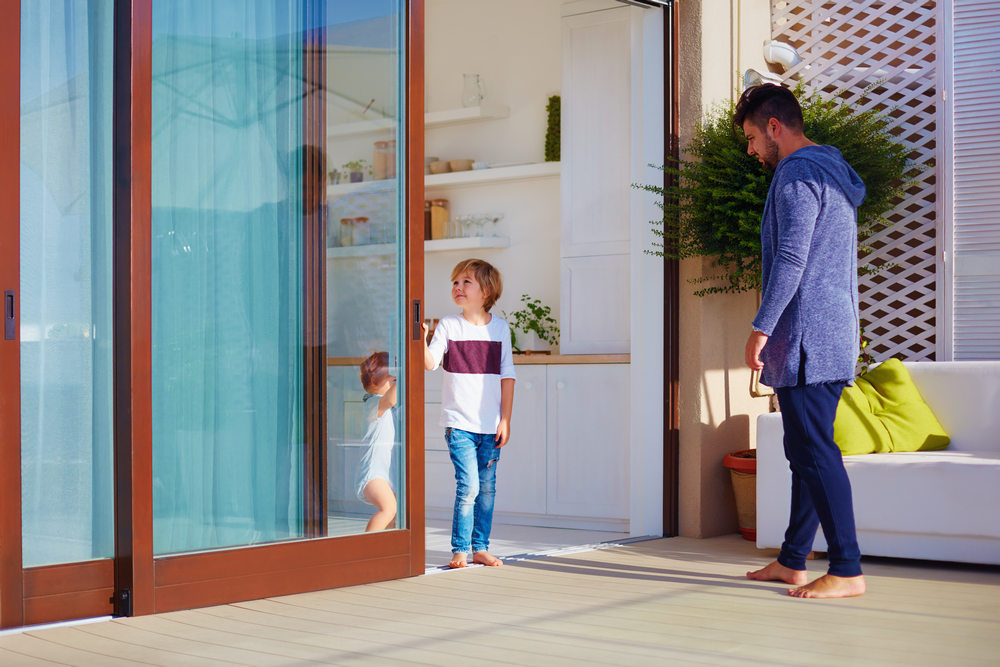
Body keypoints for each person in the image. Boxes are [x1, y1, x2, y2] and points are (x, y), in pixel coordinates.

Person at [735, 83, 867, 599]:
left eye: (751, 138)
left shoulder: (796, 173)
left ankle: (848, 570)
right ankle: (792, 560)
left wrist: (761, 327)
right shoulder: (832, 166)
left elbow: (792, 258)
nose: (750, 151)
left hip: (808, 336)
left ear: (774, 126)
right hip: (833, 330)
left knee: (815, 451)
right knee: (803, 450)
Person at [422, 258, 516, 568]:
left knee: (487, 488)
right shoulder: (449, 325)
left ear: (486, 291)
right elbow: (430, 362)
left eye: (466, 282)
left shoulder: (500, 328)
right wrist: (420, 338)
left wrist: (505, 419)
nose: (458, 287)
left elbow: (507, 376)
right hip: (458, 423)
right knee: (470, 486)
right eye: (455, 282)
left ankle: (480, 547)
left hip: (490, 426)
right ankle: (459, 549)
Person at [357, 351, 398, 532]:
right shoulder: (373, 403)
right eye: (392, 380)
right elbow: (392, 398)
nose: (395, 383)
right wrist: (406, 373)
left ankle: (387, 550)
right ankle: (367, 550)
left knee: (394, 515)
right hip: (373, 474)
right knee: (388, 509)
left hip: (383, 473)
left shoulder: (384, 406)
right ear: (374, 382)